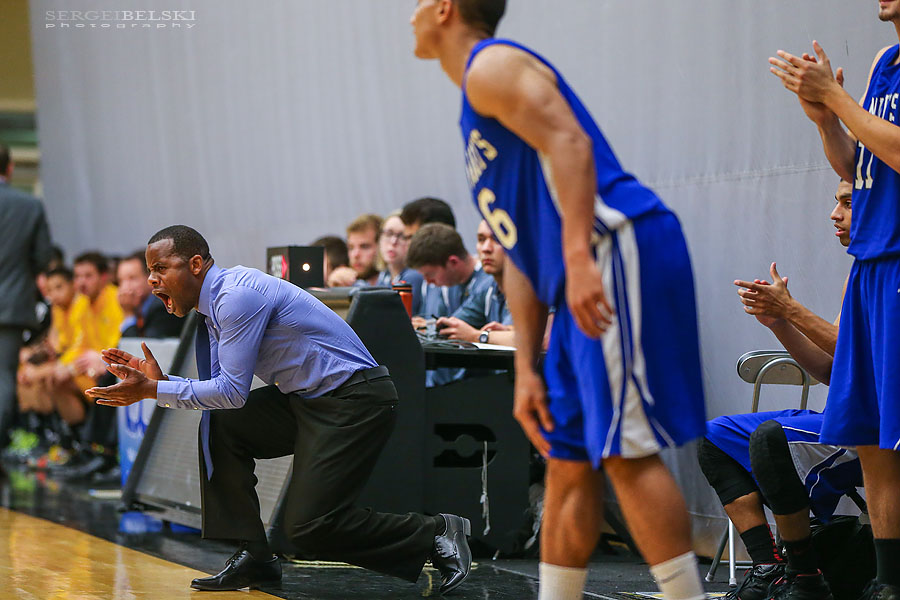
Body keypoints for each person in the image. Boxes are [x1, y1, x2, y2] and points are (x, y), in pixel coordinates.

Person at [412, 2, 707, 599]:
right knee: (568, 459)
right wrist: (526, 369)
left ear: (445, 8)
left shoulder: (489, 66)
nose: (409, 14)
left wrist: (576, 255)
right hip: (576, 267)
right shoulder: (475, 101)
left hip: (612, 246)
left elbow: (570, 142)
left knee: (623, 451)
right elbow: (520, 252)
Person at [86, 225, 472, 594]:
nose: (152, 280)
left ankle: (436, 533)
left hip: (355, 400)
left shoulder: (235, 298)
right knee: (224, 425)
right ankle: (255, 554)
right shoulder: (214, 303)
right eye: (150, 271)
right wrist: (162, 380)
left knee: (307, 528)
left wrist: (156, 389)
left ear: (196, 264)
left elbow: (232, 391)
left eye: (160, 269)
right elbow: (223, 394)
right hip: (308, 399)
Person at [769, 3, 900, 596]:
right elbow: (863, 166)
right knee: (872, 440)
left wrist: (838, 99)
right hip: (872, 264)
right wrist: (825, 119)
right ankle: (886, 581)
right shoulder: (885, 61)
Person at [699, 181, 859, 600]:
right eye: (835, 201)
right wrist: (780, 323)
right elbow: (832, 369)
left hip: (876, 430)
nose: (834, 214)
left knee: (769, 441)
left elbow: (864, 358)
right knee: (713, 435)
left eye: (847, 203)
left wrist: (792, 309)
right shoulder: (861, 272)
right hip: (842, 415)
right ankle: (767, 567)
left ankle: (804, 577)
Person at [0, 142, 53, 467]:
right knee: (3, 378)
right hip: (9, 305)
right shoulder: (28, 206)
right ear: (9, 168)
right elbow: (43, 257)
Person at [436, 219, 514, 346]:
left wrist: (476, 336)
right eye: (481, 239)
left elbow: (541, 341)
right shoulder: (488, 286)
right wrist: (427, 326)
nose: (486, 248)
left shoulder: (536, 286)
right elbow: (454, 324)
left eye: (497, 239)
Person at [116, 250, 184, 338]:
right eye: (121, 280)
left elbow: (143, 348)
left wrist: (129, 315)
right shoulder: (136, 307)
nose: (125, 287)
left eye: (132, 278)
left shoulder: (163, 307)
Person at [375, 212, 425, 316]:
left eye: (402, 236)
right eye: (388, 233)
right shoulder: (384, 276)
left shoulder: (413, 276)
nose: (393, 241)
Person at [327, 214, 382, 287]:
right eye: (351, 248)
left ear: (382, 246)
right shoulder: (343, 281)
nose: (355, 255)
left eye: (364, 247)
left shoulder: (394, 281)